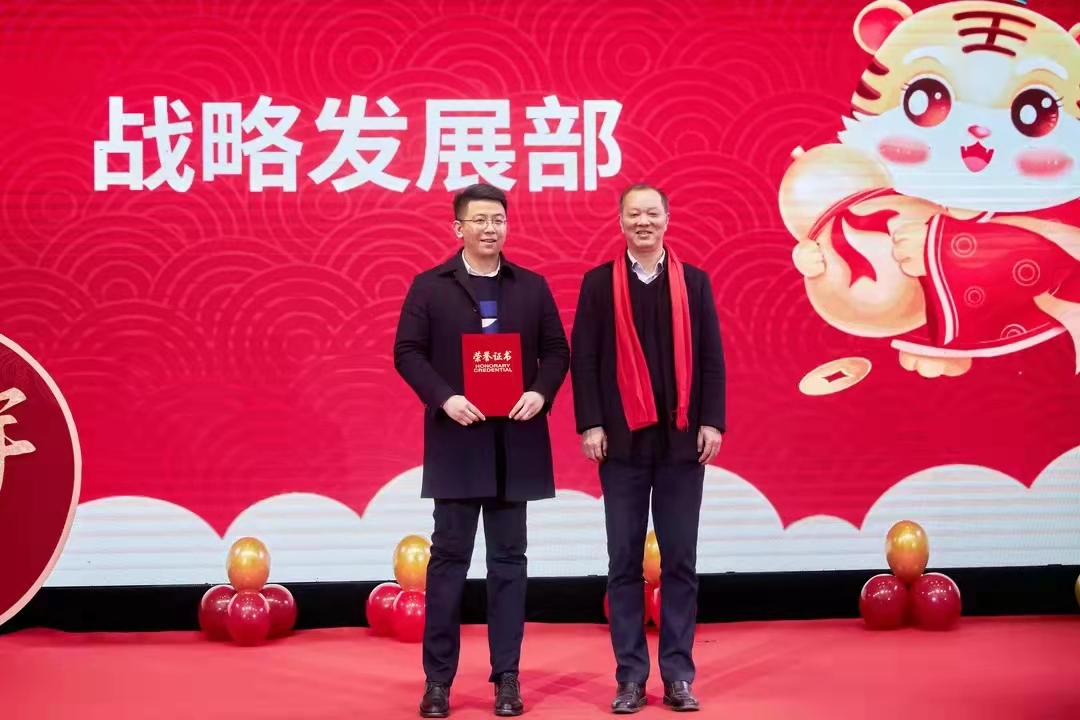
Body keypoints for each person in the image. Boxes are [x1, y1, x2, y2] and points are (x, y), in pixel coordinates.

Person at [393, 182, 570, 718]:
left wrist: (540, 392)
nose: (490, 229)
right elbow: (407, 352)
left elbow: (556, 351)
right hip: (458, 440)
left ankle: (507, 678)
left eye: (498, 220)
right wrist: (445, 398)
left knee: (509, 562)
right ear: (459, 228)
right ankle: (438, 682)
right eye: (480, 220)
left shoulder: (531, 286)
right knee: (448, 561)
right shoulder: (431, 286)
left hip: (514, 442)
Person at [570, 183, 726, 714]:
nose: (644, 222)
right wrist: (591, 424)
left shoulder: (694, 283)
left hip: (682, 443)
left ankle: (678, 674)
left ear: (667, 219)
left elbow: (711, 358)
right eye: (634, 214)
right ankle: (631, 677)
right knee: (623, 562)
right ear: (620, 222)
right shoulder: (598, 284)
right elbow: (585, 360)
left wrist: (712, 422)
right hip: (621, 445)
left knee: (680, 562)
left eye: (652, 213)